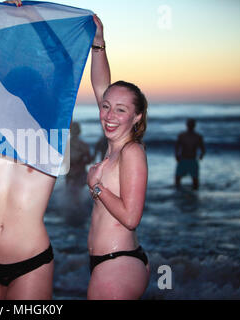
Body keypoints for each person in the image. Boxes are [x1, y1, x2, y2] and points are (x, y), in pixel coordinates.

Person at [0, 0, 57, 300]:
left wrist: (32, 15)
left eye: (25, 96)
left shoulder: (52, 142)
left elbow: (61, 64)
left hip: (30, 264)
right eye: (11, 95)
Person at [86, 14, 150, 300]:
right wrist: (98, 43)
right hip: (106, 262)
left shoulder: (132, 151)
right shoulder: (114, 148)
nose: (110, 116)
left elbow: (131, 217)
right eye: (106, 107)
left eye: (121, 110)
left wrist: (97, 187)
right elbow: (102, 87)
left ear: (136, 117)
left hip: (120, 263)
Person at [175, 118, 205, 190]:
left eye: (192, 124)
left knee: (195, 180)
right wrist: (176, 155)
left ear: (194, 125)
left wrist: (201, 155)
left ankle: (194, 194)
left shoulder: (198, 137)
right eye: (189, 124)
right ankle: (177, 193)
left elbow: (202, 149)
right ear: (187, 125)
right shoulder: (182, 136)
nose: (190, 126)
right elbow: (177, 147)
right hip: (183, 159)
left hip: (193, 160)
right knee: (177, 179)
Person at [66, 121, 94, 188]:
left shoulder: (65, 145)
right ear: (79, 131)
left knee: (69, 192)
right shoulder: (83, 145)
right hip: (81, 172)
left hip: (70, 173)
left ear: (70, 131)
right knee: (80, 193)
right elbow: (89, 160)